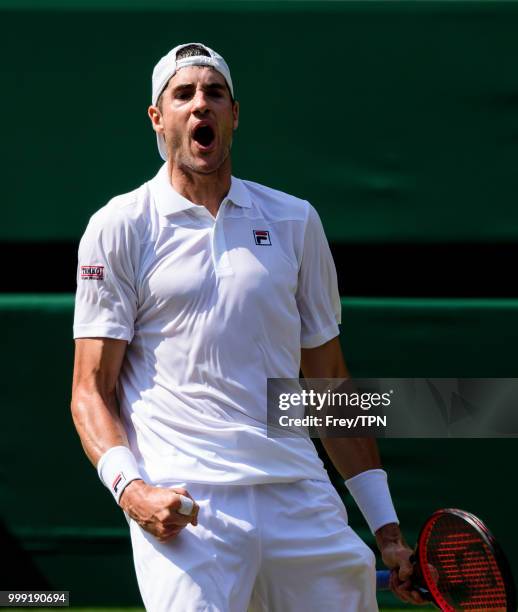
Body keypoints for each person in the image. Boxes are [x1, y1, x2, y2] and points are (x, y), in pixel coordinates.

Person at [71, 42, 426, 611]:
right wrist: (130, 490)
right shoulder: (119, 227)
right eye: (183, 94)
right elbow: (90, 390)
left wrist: (386, 531)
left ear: (235, 115)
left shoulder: (294, 220)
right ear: (158, 120)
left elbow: (329, 386)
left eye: (214, 93)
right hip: (189, 507)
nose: (200, 105)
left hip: (299, 494)